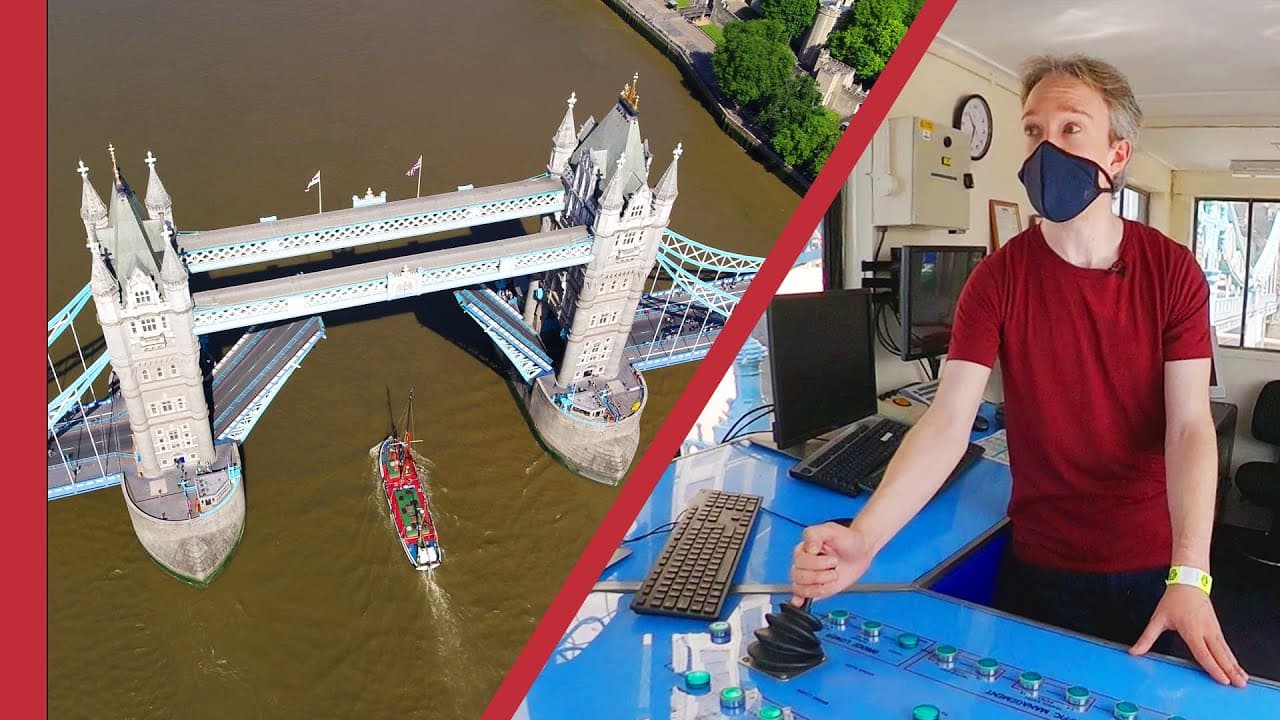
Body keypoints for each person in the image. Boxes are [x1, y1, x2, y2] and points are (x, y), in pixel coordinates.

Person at [789, 54, 1250, 688]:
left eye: (1071, 128)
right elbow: (947, 423)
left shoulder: (1173, 272)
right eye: (1034, 130)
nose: (1046, 148)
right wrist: (864, 537)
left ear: (1117, 155)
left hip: (1154, 564)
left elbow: (1189, 428)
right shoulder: (997, 279)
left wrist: (1191, 574)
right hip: (1042, 564)